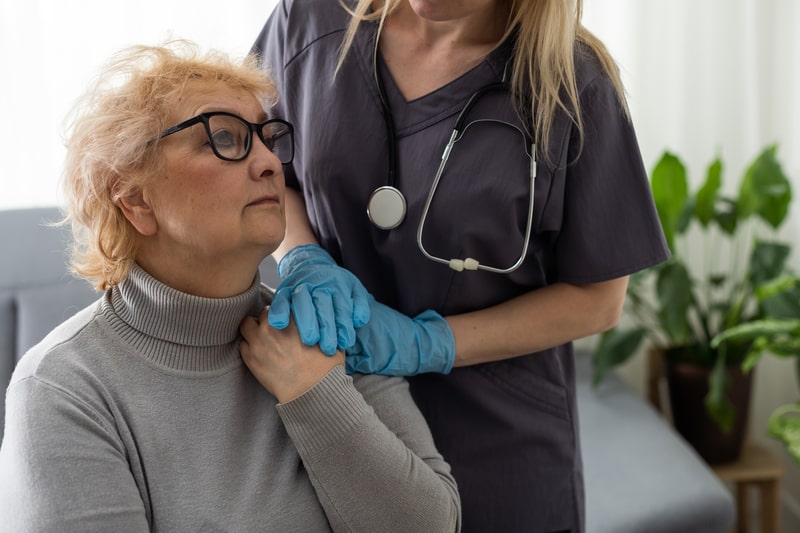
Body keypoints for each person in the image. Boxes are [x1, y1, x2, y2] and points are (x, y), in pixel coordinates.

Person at [0, 41, 461, 533]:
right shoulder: (64, 389)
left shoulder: (326, 325)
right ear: (135, 201)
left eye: (267, 138)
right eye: (222, 138)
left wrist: (317, 393)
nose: (269, 164)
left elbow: (434, 526)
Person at [250, 1, 671, 532]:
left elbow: (599, 300)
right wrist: (302, 256)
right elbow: (261, 168)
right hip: (331, 419)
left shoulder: (573, 83)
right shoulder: (310, 18)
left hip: (496, 447)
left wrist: (428, 343)